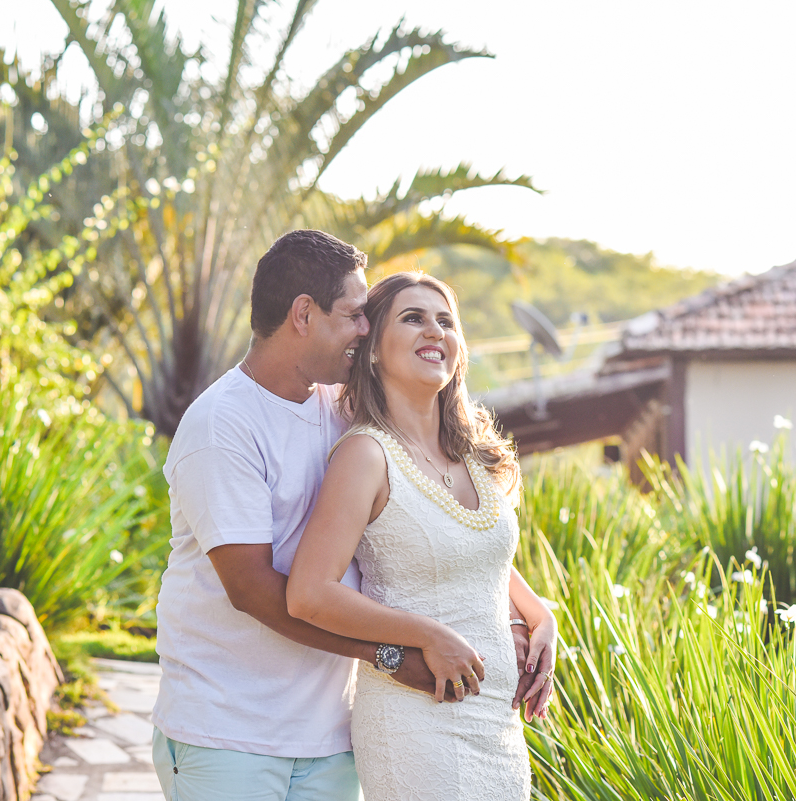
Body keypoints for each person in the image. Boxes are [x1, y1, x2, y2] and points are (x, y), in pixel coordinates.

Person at [151, 231, 548, 801]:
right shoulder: (222, 426)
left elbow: (435, 530)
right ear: (303, 315)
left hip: (329, 736)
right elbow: (254, 589)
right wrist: (394, 655)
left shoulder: (340, 407)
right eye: (356, 316)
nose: (365, 330)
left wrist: (526, 616)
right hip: (229, 728)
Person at [286, 272, 559, 801]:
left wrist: (540, 614)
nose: (434, 330)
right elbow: (309, 593)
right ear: (371, 352)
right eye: (413, 318)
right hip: (417, 721)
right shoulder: (366, 456)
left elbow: (477, 557)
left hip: (498, 726)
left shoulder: (478, 458)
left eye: (446, 321)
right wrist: (427, 635)